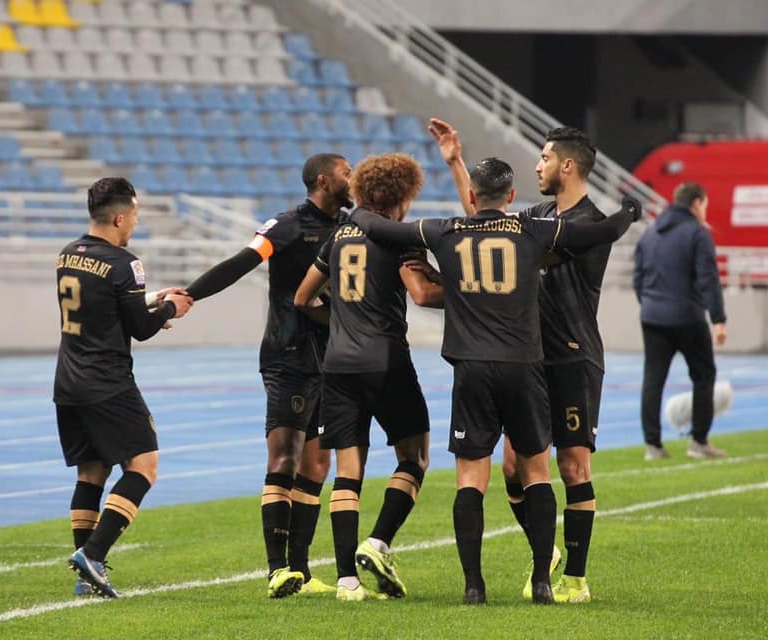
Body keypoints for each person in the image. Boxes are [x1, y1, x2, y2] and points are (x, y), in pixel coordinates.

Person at [349, 156, 641, 605]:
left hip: (471, 368)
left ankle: (473, 587)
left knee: (471, 479)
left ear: (471, 197)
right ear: (509, 197)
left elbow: (384, 230)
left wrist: (357, 209)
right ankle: (543, 581)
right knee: (536, 471)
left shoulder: (444, 230)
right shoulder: (532, 230)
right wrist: (629, 212)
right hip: (525, 367)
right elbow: (600, 233)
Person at [429, 119, 614, 604]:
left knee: (573, 467)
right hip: (525, 361)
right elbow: (483, 214)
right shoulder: (537, 215)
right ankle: (545, 551)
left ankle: (575, 577)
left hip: (571, 355)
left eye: (546, 158)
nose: (538, 165)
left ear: (567, 165)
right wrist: (455, 163)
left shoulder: (588, 223)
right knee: (514, 468)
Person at [183, 154, 353, 598]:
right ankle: (277, 568)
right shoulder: (287, 225)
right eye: (346, 172)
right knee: (285, 458)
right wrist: (190, 295)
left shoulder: (351, 226)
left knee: (318, 464)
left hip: (330, 359)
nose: (352, 179)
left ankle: (301, 570)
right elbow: (242, 262)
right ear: (323, 180)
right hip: (289, 355)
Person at [294, 153, 443, 602]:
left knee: (347, 471)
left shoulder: (339, 235)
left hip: (338, 365)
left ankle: (346, 582)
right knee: (414, 457)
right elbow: (420, 293)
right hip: (387, 361)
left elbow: (303, 298)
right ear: (401, 195)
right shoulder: (398, 238)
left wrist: (338, 323)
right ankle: (377, 542)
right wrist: (472, 294)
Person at [57, 177, 193, 598]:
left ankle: (87, 579)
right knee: (144, 466)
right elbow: (139, 328)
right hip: (108, 381)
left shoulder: (69, 254)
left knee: (91, 471)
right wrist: (172, 307)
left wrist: (149, 299)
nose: (134, 223)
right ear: (119, 216)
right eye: (133, 216)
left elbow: (105, 306)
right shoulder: (124, 262)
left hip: (68, 379)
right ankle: (93, 556)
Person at [634, 181, 727, 461]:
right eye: (705, 206)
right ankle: (699, 442)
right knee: (703, 375)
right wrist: (719, 320)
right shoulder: (697, 234)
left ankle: (653, 446)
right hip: (687, 317)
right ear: (697, 203)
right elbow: (708, 279)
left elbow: (638, 278)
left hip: (652, 316)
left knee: (653, 380)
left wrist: (650, 305)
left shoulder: (650, 234)